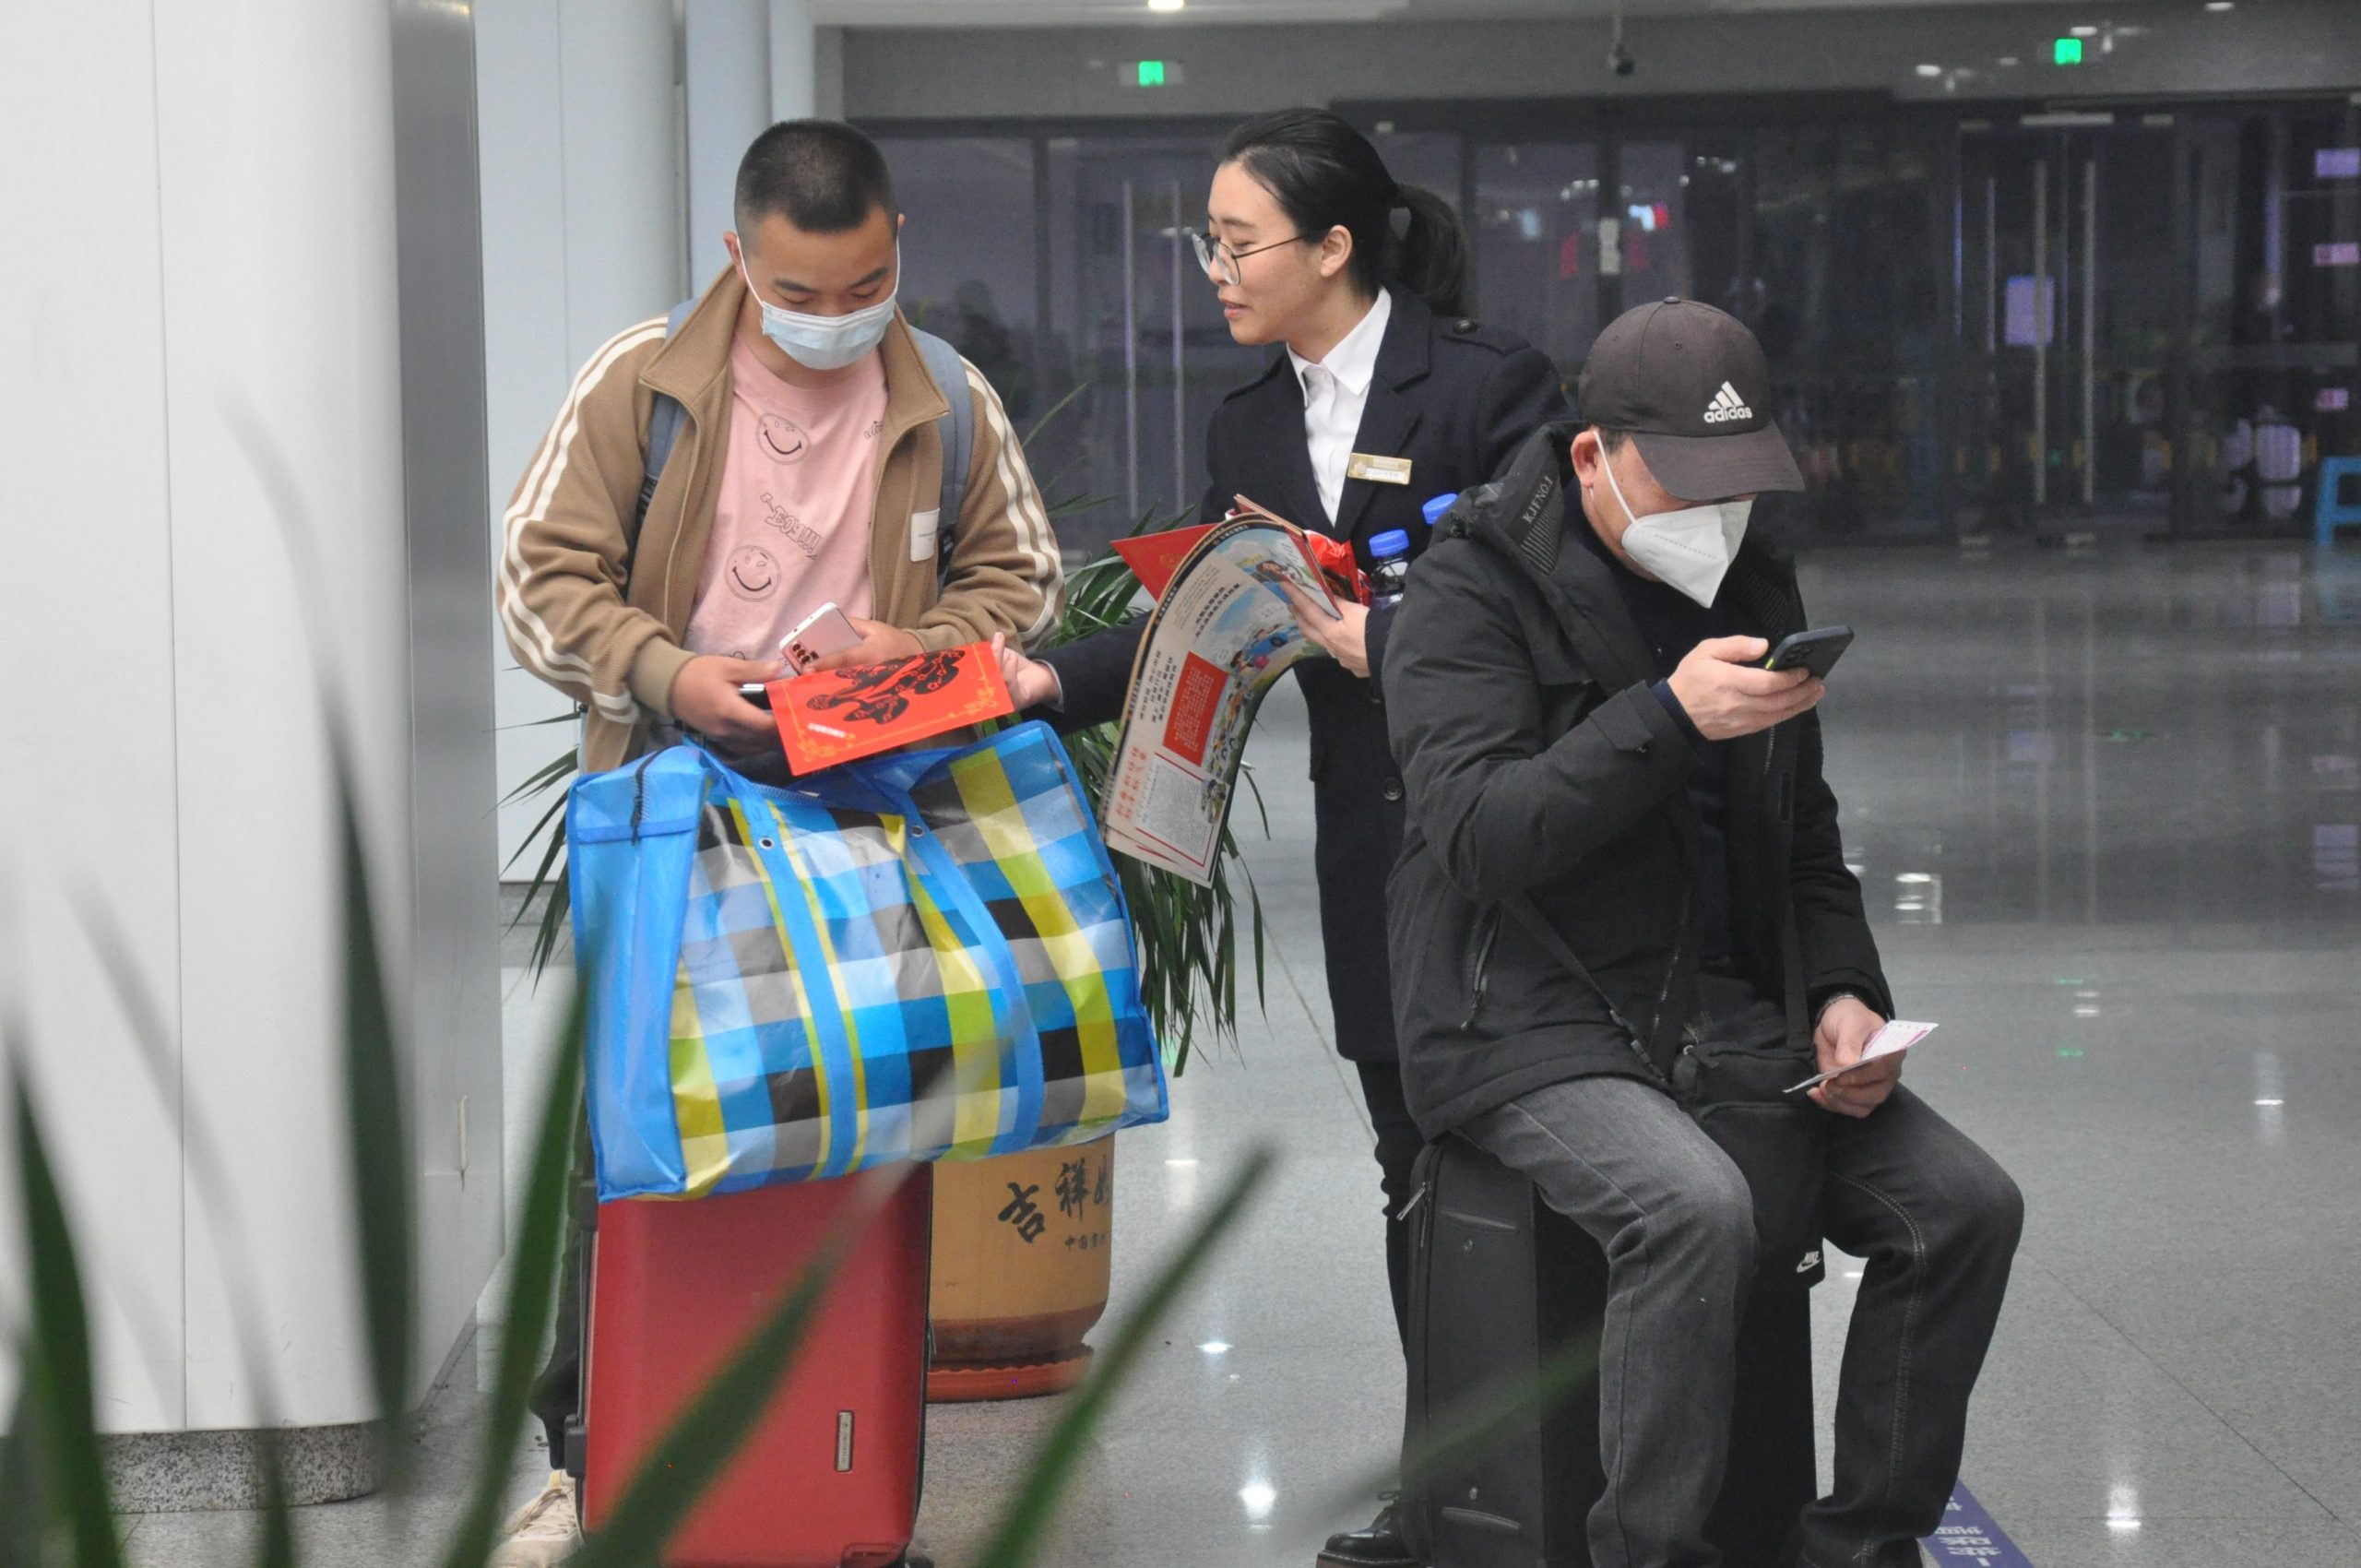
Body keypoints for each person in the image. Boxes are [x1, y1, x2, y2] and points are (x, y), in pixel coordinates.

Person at [993, 107, 1569, 1568]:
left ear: (1333, 246)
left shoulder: (1488, 387)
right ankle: (1450, 1496)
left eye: (1238, 242)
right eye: (1212, 241)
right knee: (1411, 1163)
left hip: (1515, 829)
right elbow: (1201, 618)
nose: (1216, 268)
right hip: (1374, 843)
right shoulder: (1250, 422)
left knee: (1537, 1160)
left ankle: (1571, 1479)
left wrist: (1403, 640)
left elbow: (1558, 600)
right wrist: (1045, 682)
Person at [492, 119, 1062, 1567]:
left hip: (872, 816)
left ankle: (839, 1475)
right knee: (632, 1141)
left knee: (864, 1131)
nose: (832, 317)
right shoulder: (644, 383)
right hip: (672, 809)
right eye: (798, 293)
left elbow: (1025, 579)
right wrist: (671, 671)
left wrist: (913, 646)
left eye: (862, 286)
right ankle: (588, 1465)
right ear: (737, 257)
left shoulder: (949, 399)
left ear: (896, 250)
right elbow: (538, 578)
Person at [1381, 298, 2023, 1568]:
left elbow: (1802, 834)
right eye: (1685, 485)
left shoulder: (1753, 576)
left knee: (1961, 1207)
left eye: (1738, 488)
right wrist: (1667, 718)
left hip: (1722, 1010)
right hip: (1524, 1009)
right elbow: (1476, 835)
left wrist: (1841, 993)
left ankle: (1856, 1546)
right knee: (1693, 1211)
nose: (1715, 518)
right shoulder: (1470, 588)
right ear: (1591, 456)